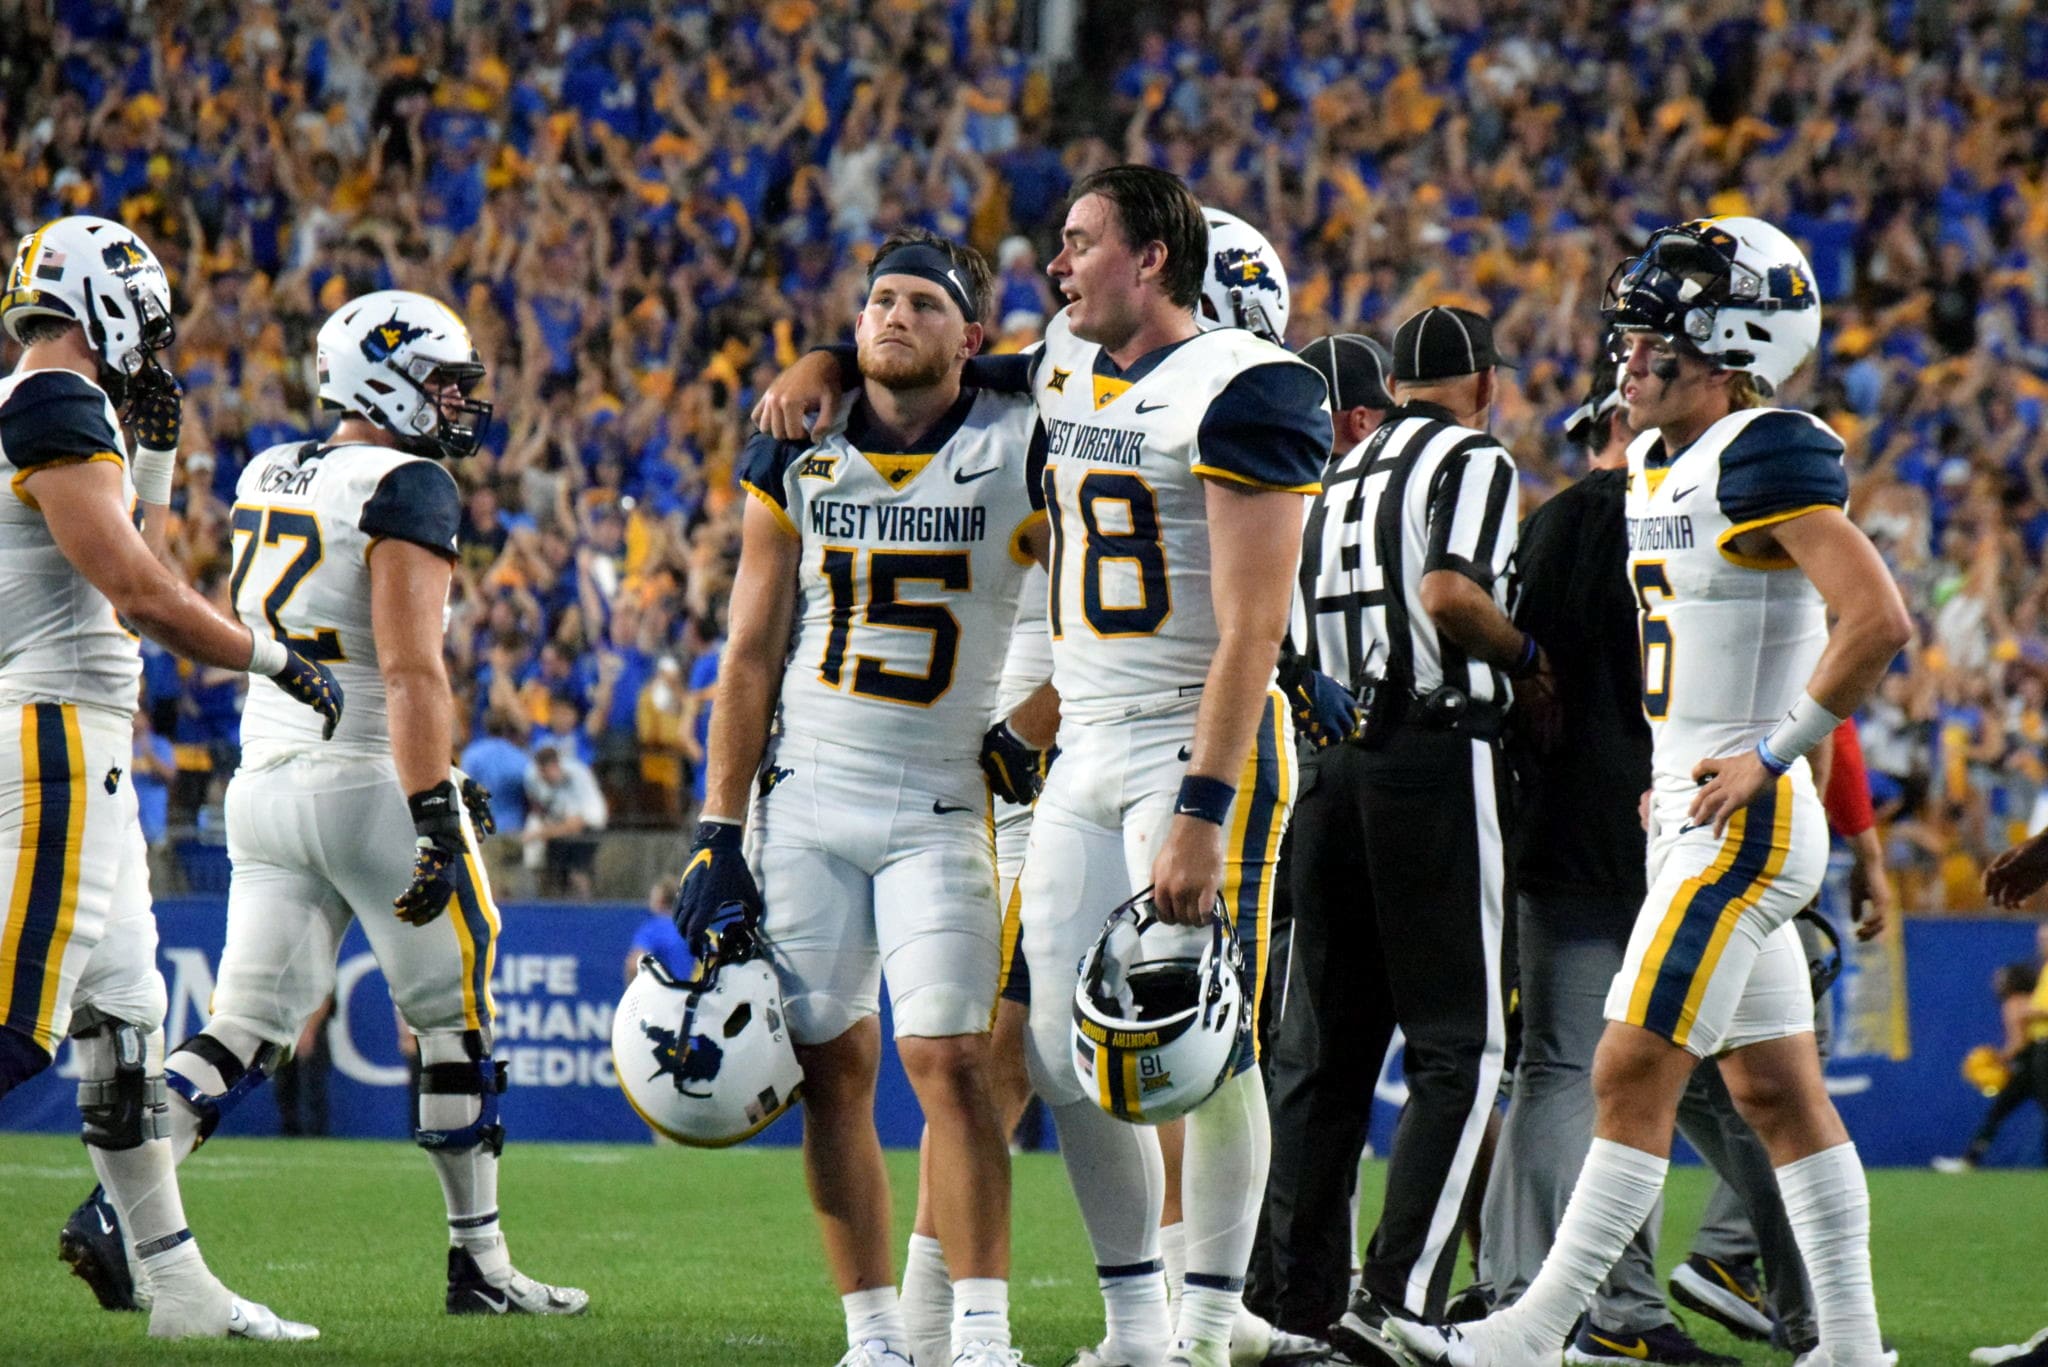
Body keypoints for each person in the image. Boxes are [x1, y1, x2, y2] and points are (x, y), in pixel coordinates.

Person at [753, 170, 1330, 1367]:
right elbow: (934, 368)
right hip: (1085, 751)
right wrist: (820, 359)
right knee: (1069, 1054)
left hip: (1191, 734)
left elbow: (1249, 635)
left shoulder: (1248, 388)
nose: (1055, 268)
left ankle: (1206, 1331)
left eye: (1078, 244)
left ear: (1152, 260)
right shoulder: (1064, 356)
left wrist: (1200, 812)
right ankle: (1133, 1322)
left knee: (1202, 1039)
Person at [1383, 216, 1911, 1367]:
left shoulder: (1767, 447)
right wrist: (1676, 773)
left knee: (1622, 1065)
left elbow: (1875, 620)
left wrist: (1770, 753)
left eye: (1649, 334)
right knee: (1774, 1092)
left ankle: (1531, 1329)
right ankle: (1853, 1348)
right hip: (1690, 813)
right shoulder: (1662, 466)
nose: (1622, 354)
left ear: (1729, 344)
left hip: (1746, 823)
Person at [56, 288, 587, 1321]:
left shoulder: (266, 468)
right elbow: (411, 668)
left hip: (266, 782)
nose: (455, 403)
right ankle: (478, 1262)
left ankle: (119, 1210)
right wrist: (432, 799)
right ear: (383, 377)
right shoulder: (408, 480)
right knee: (455, 1020)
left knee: (240, 1026)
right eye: (441, 381)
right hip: (370, 780)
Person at [675, 227, 1051, 1367]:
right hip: (810, 789)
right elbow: (746, 652)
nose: (892, 316)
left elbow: (1104, 609)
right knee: (828, 1063)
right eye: (875, 300)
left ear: (970, 335)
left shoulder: (1024, 435)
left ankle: (980, 1334)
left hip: (945, 793)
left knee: (950, 1059)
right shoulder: (797, 446)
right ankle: (874, 1335)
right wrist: (715, 827)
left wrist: (1035, 725)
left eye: (921, 304)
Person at [2, 214, 337, 1341]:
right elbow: (135, 589)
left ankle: (179, 1286)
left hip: (77, 741)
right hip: (55, 738)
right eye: (139, 318)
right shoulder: (53, 402)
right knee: (14, 1029)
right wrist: (273, 652)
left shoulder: (51, 409)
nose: (151, 343)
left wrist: (149, 460)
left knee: (125, 1029)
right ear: (102, 307)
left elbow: (94, 554)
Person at [1279, 305, 1544, 1364]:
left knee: (1327, 1055)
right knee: (1461, 1046)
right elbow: (1446, 593)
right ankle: (1395, 1296)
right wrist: (1528, 659)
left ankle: (1291, 1299)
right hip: (1434, 753)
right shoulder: (1469, 455)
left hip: (1331, 767)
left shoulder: (1335, 471)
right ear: (1480, 381)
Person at [1474, 367, 1737, 1367]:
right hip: (1665, 816)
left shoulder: (1550, 524)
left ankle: (1525, 1287)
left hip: (1561, 824)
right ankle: (1612, 1299)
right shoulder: (1692, 512)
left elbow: (1522, 680)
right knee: (1658, 1075)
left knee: (1559, 1069)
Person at [1253, 328, 1401, 1340]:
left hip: (1296, 806)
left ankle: (1289, 1280)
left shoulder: (1285, 504)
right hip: (1321, 798)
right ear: (1353, 419)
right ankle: (1285, 1286)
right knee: (1301, 1060)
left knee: (1305, 1062)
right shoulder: (1345, 506)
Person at [1934, 930, 2048, 1171]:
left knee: (1998, 1113)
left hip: (2035, 1058)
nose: (2041, 944)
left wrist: (1996, 1058)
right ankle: (1969, 1159)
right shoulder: (2040, 980)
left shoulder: (2014, 1003)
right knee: (1999, 1112)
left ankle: (1969, 1160)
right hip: (2034, 1058)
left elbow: (2019, 1043)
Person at [522, 743, 608, 897]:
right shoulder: (533, 776)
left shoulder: (576, 777)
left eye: (547, 771)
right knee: (553, 872)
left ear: (556, 766)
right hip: (558, 826)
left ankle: (586, 907)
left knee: (577, 873)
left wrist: (539, 834)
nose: (544, 777)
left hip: (588, 826)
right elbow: (536, 802)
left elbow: (575, 824)